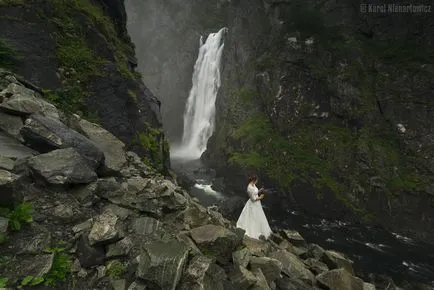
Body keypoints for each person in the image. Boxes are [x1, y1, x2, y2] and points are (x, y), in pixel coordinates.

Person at [236, 174, 272, 240]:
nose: (257, 182)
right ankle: (253, 232)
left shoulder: (253, 185)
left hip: (257, 204)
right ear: (254, 180)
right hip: (253, 204)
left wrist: (259, 190)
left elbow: (255, 192)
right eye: (257, 180)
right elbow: (253, 199)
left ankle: (260, 231)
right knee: (253, 217)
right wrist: (260, 197)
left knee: (259, 217)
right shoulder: (249, 188)